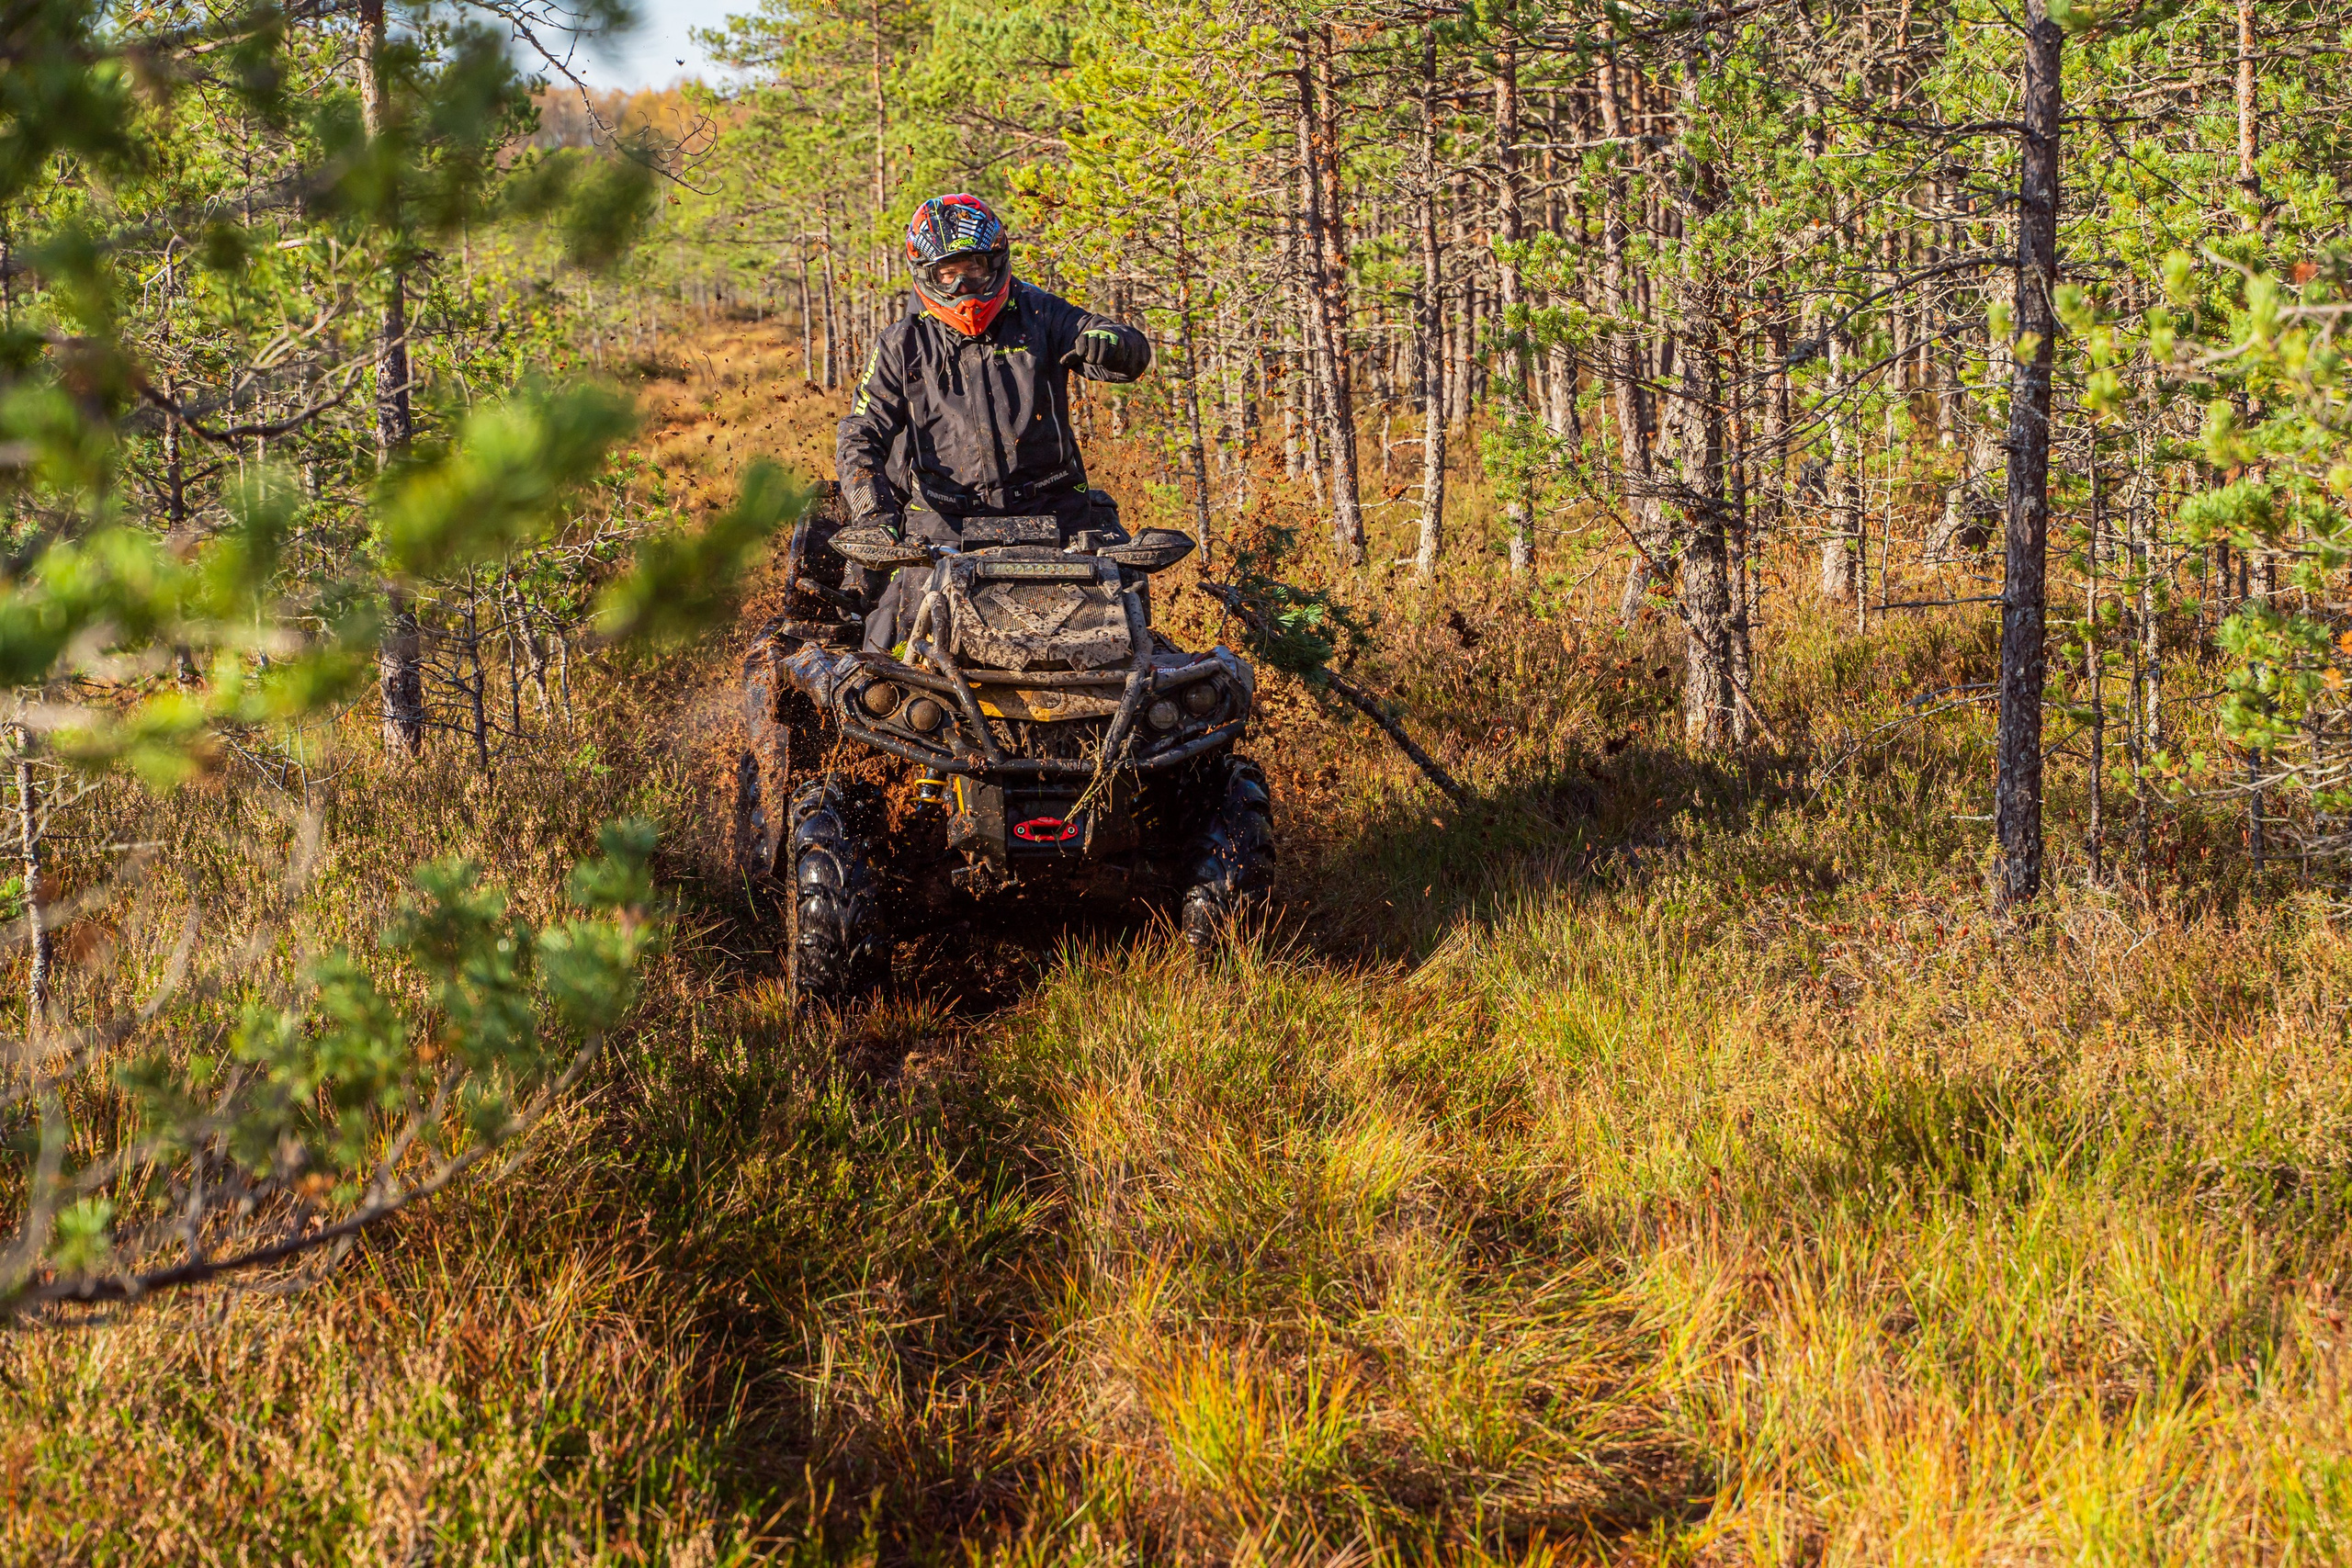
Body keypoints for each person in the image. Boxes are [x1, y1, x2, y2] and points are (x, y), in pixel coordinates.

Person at [835, 192, 1153, 553]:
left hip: (1053, 513)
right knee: (892, 610)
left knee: (1118, 601)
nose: (963, 286)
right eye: (948, 274)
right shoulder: (902, 343)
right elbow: (859, 433)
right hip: (944, 524)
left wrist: (1111, 343)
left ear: (995, 264)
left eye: (974, 269)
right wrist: (874, 515)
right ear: (927, 275)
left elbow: (1123, 344)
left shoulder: (1040, 314)